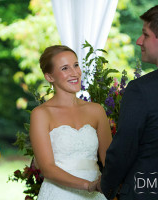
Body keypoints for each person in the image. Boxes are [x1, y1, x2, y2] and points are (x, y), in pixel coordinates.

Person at [100, 2, 158, 200]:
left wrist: (106, 185)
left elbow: (124, 150)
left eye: (146, 34)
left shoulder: (142, 89)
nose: (139, 41)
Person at [29, 45, 112, 199]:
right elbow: (47, 168)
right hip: (58, 193)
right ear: (49, 77)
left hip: (96, 193)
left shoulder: (96, 110)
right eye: (65, 68)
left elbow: (110, 159)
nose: (75, 73)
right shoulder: (41, 114)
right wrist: (88, 185)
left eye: (75, 65)